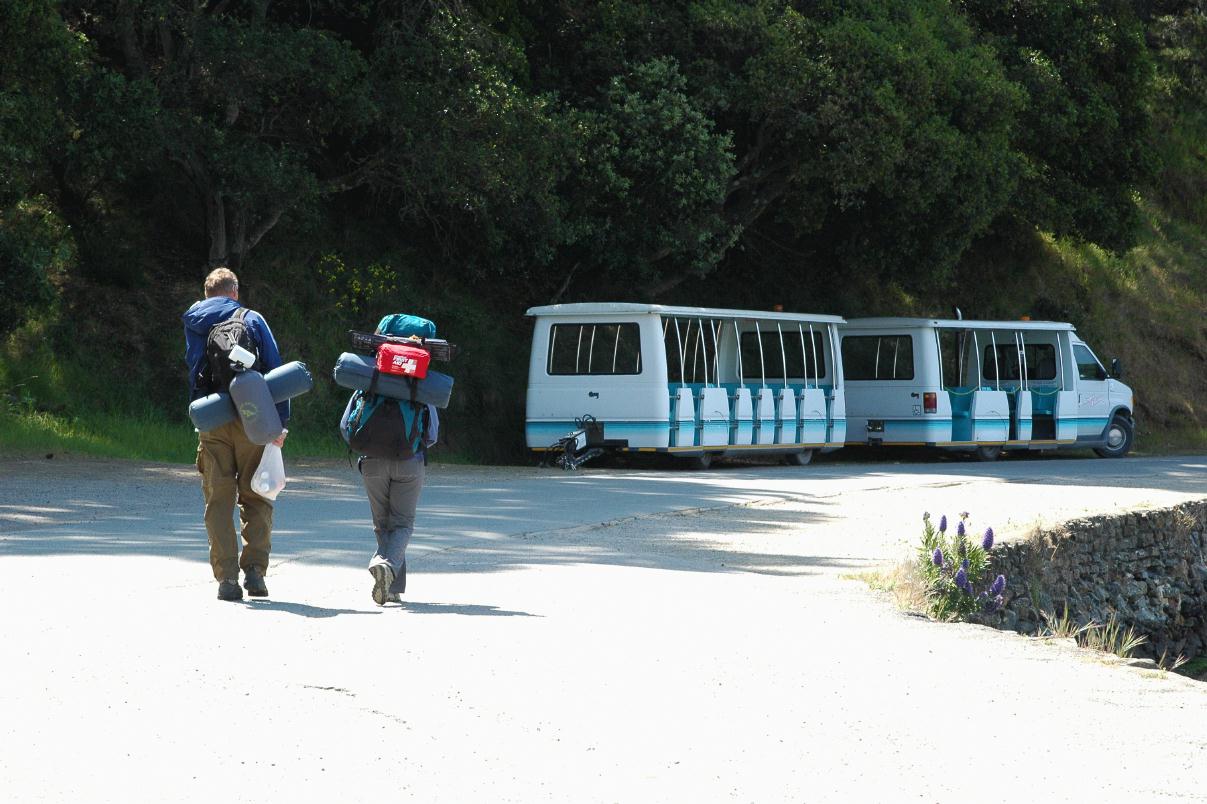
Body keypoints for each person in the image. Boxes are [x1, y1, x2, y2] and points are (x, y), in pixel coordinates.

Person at [183, 267, 289, 602]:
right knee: (257, 495)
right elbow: (274, 370)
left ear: (206, 293)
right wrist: (279, 424)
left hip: (213, 419)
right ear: (235, 291)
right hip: (253, 417)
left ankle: (226, 579)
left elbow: (193, 370)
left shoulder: (194, 322)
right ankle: (255, 573)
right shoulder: (252, 318)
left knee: (218, 499)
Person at [340, 369, 438, 606]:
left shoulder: (368, 382)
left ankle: (391, 587)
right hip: (409, 463)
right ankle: (386, 567)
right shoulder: (420, 387)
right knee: (402, 523)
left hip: (372, 462)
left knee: (382, 523)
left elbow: (346, 427)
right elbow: (432, 434)